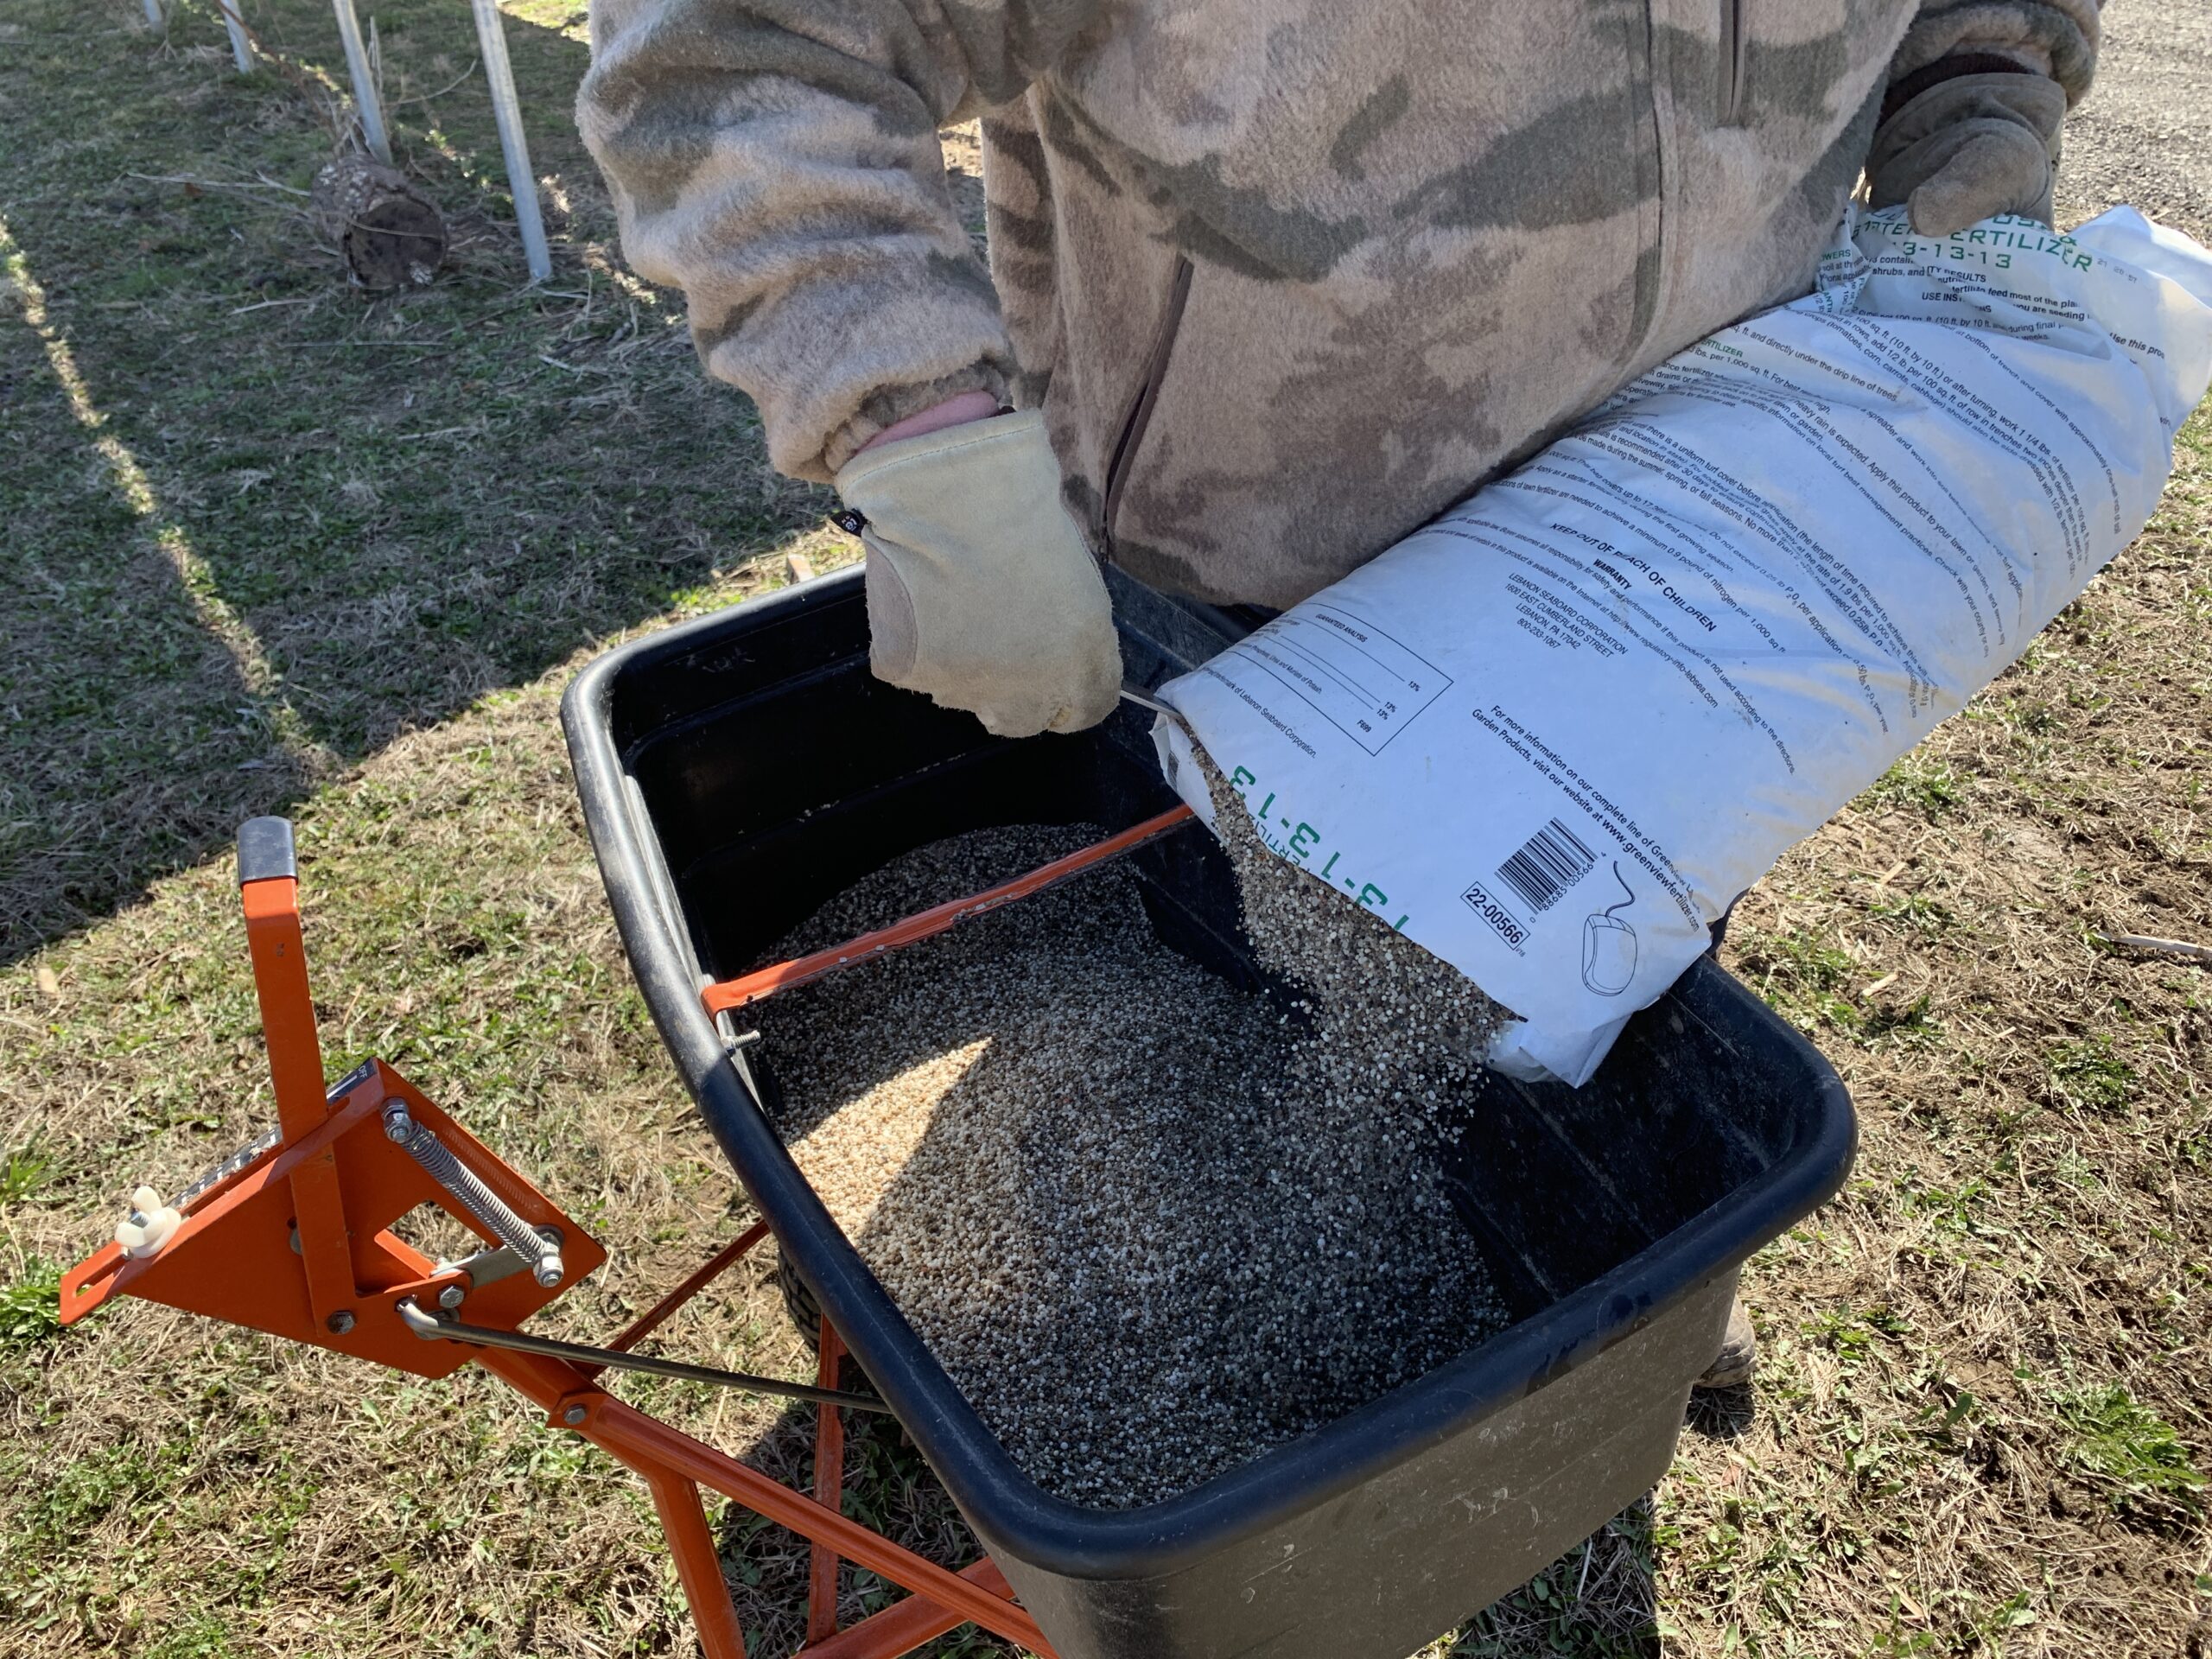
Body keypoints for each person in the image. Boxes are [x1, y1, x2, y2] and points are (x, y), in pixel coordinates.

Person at [577, 0, 2101, 1386]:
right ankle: (1130, 1255)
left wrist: (1980, 86)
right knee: (1240, 928)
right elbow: (738, 42)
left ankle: (1626, 1276)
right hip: (1260, 516)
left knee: (1604, 922)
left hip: (1679, 505)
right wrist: (917, 426)